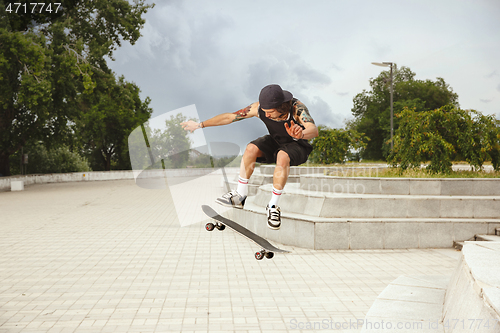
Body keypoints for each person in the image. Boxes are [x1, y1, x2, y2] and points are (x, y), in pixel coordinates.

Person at [181, 84, 318, 230]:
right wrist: (200, 125)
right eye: (264, 112)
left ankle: (273, 206)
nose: (267, 115)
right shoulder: (258, 108)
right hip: (276, 141)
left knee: (282, 156)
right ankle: (240, 195)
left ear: (281, 107)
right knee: (251, 148)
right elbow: (229, 117)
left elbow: (313, 129)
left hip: (298, 145)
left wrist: (301, 134)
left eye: (270, 112)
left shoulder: (297, 108)